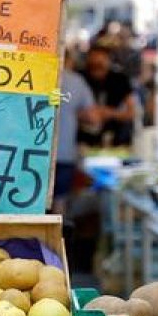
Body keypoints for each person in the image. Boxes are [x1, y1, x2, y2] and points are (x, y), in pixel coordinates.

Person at [53, 49, 98, 208]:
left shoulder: (35, 74)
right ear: (70, 60)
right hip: (64, 152)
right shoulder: (76, 82)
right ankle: (59, 233)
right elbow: (94, 119)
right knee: (59, 205)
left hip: (33, 152)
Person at [79, 45, 137, 147]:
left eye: (100, 64)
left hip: (114, 140)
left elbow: (132, 112)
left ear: (108, 61)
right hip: (82, 141)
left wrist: (109, 113)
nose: (96, 67)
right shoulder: (80, 78)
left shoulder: (120, 80)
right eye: (93, 64)